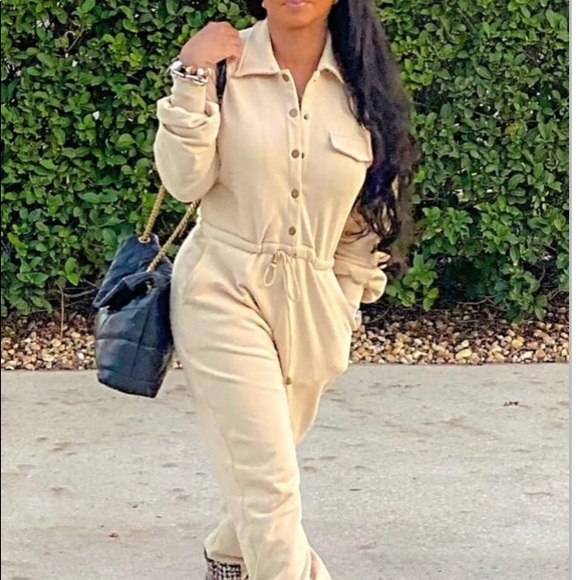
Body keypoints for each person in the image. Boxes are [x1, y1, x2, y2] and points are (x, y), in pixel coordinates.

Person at [153, 0, 416, 578]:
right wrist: (191, 75)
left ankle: (229, 557)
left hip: (317, 304)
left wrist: (344, 305)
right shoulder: (224, 63)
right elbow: (183, 181)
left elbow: (365, 220)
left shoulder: (360, 81)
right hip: (222, 286)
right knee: (270, 483)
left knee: (261, 472)